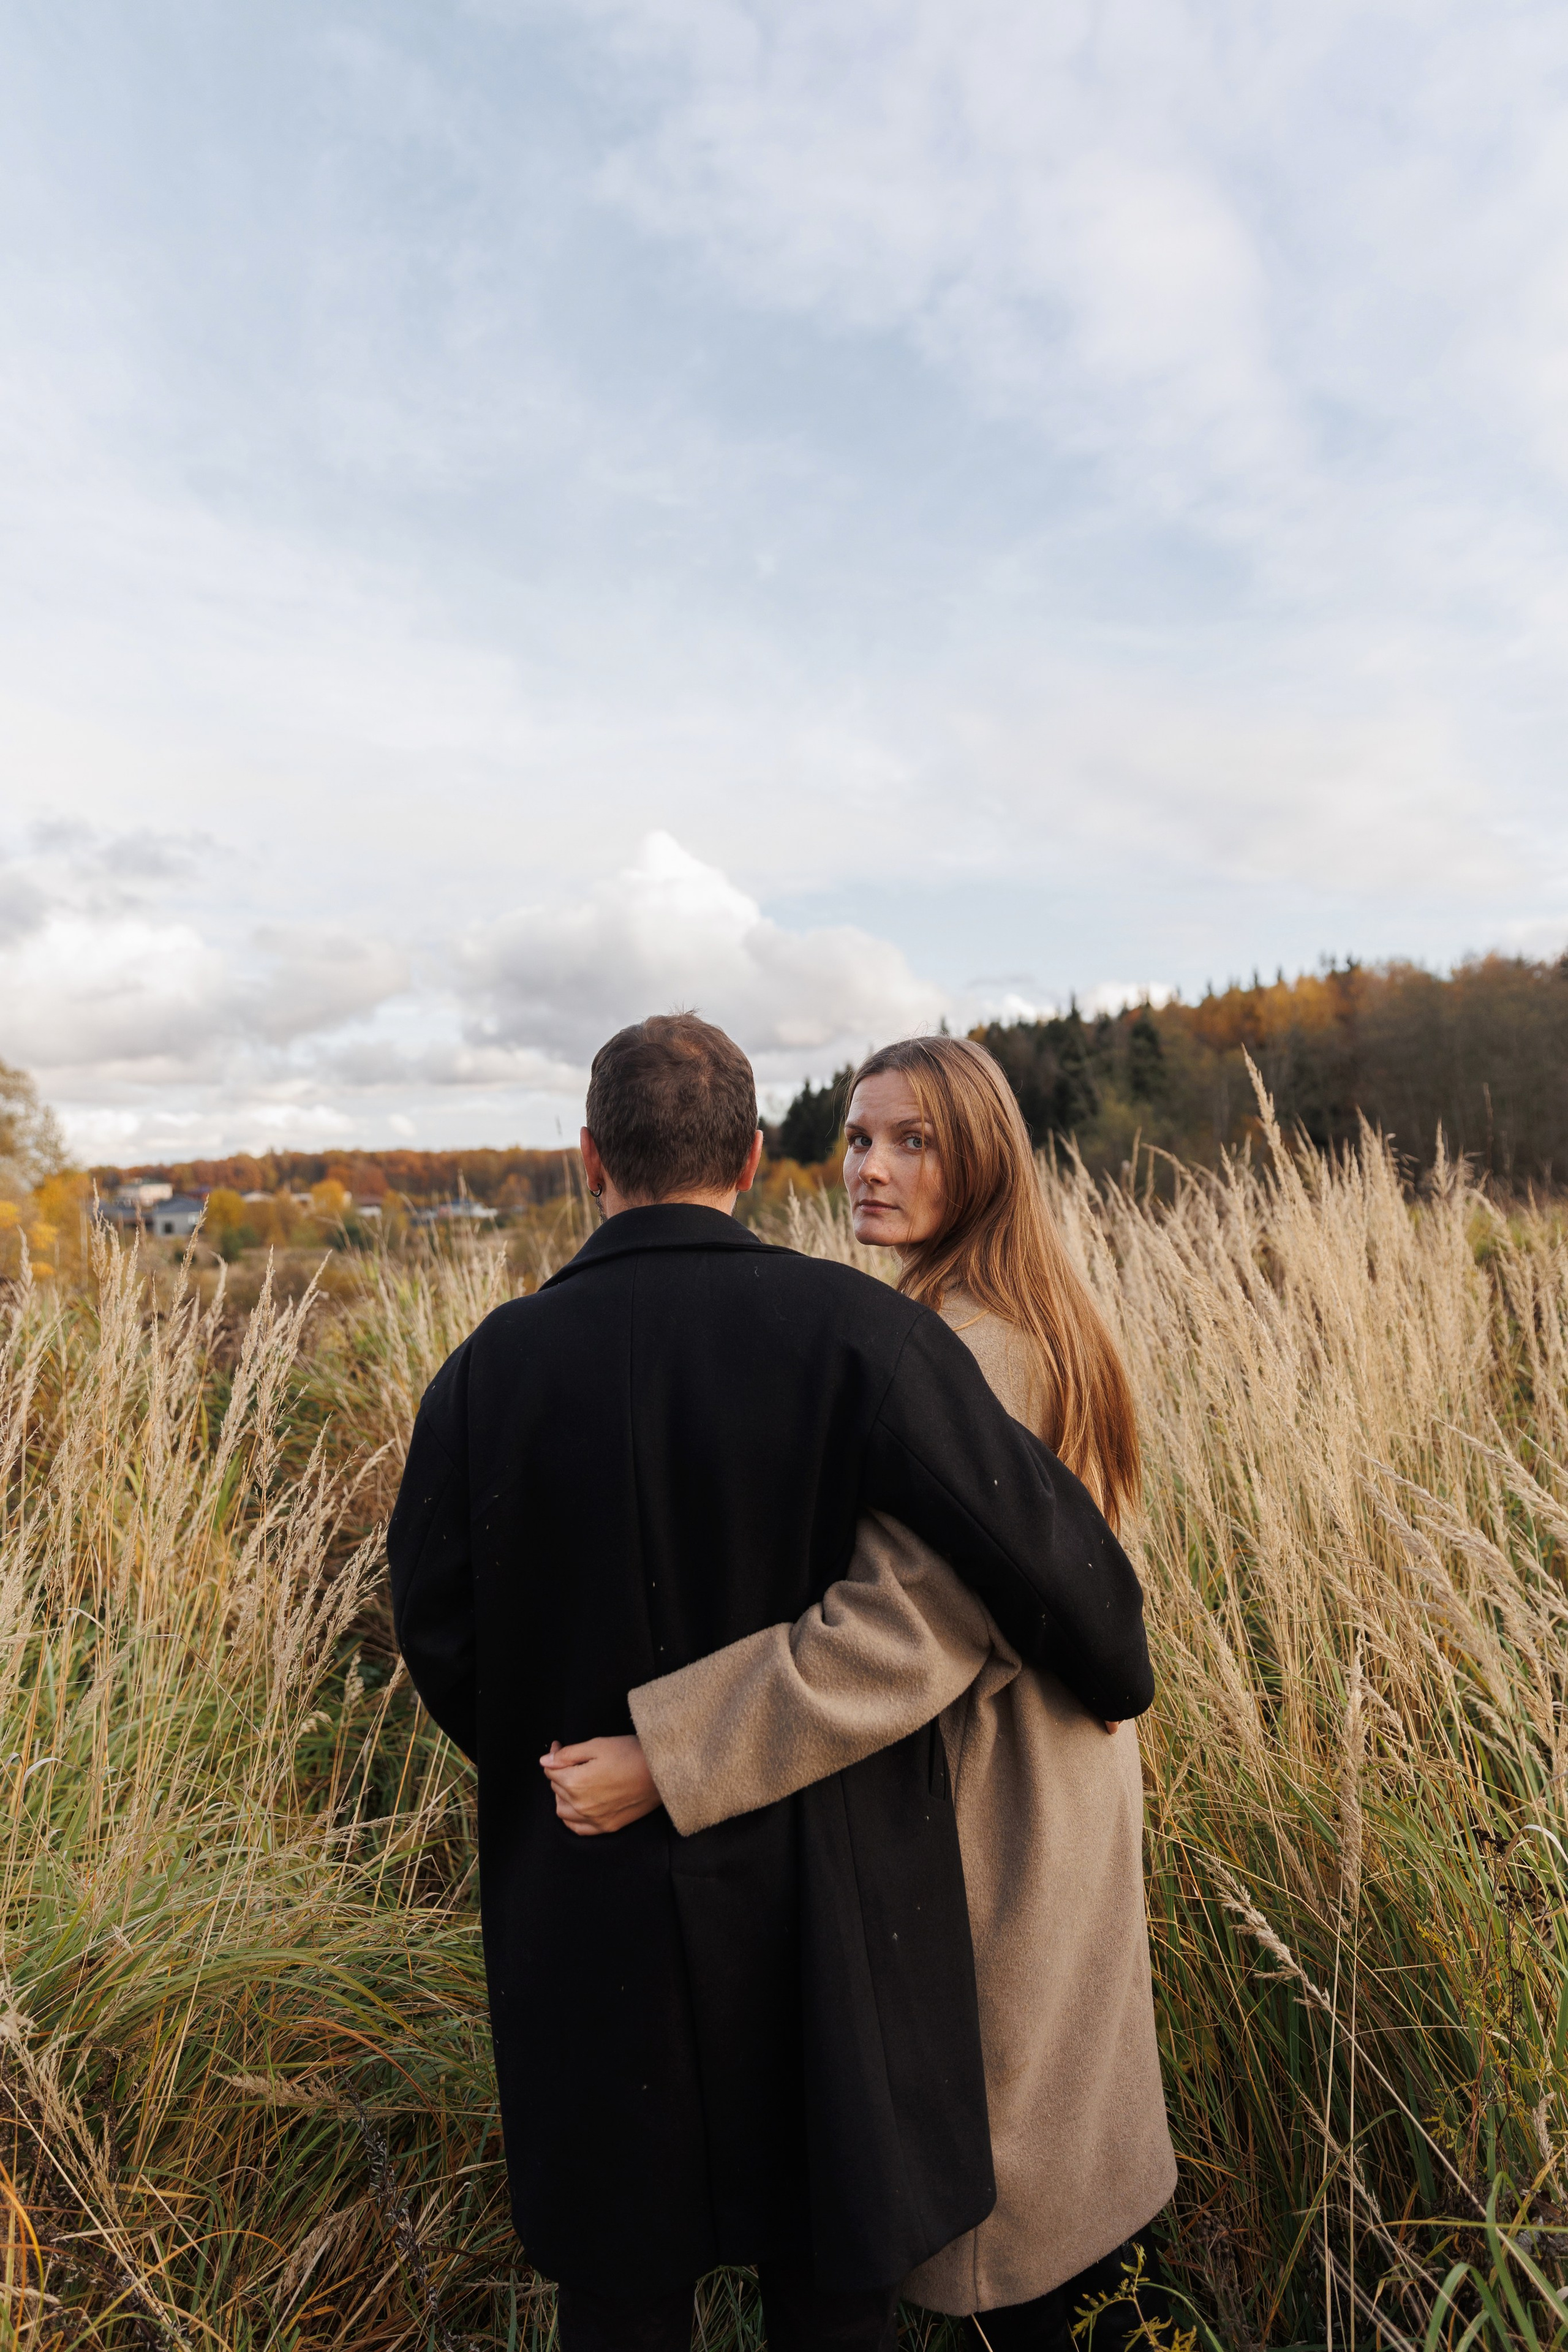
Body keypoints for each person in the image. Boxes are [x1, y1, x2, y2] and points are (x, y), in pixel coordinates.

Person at [388, 1014, 1155, 2352]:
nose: (869, 1167)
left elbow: (441, 1625)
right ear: (755, 1158)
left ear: (586, 1159)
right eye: (857, 1137)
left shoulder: (485, 1367)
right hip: (836, 1844)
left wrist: (578, 1758)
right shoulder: (874, 1332)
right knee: (830, 2243)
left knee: (634, 2273)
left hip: (905, 1819)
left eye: (910, 1141)